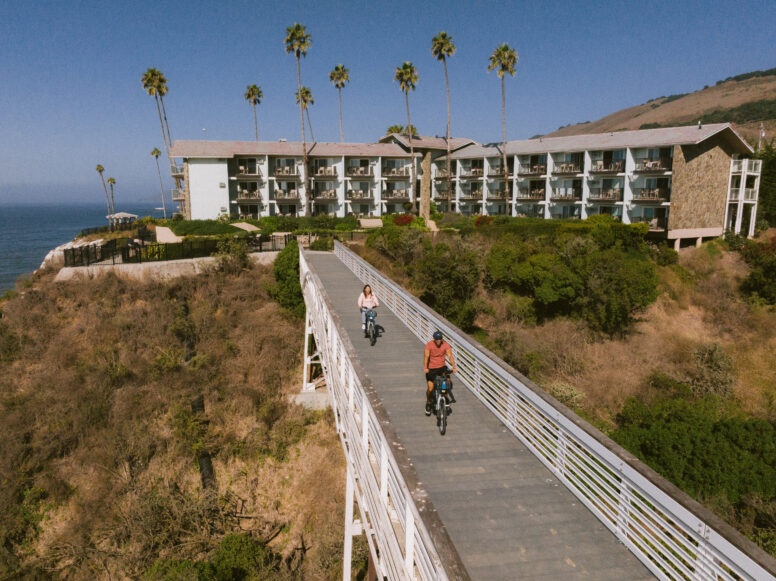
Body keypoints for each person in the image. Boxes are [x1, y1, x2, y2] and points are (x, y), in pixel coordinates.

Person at [424, 330, 457, 415]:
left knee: (446, 382)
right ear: (434, 339)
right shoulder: (429, 345)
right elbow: (426, 356)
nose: (438, 341)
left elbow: (450, 356)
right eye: (437, 339)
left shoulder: (445, 345)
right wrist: (425, 368)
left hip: (442, 368)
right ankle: (428, 403)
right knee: (430, 388)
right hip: (431, 369)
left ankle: (445, 398)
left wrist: (454, 367)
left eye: (440, 339)